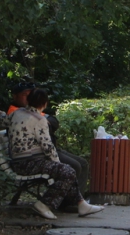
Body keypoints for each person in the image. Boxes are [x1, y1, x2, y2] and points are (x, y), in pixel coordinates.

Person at [7, 88, 104, 220]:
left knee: (67, 169)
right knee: (68, 171)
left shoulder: (16, 113)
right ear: (44, 104)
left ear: (28, 100)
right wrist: (58, 164)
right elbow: (48, 147)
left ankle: (81, 204)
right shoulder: (39, 120)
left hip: (17, 161)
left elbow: (5, 121)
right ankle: (43, 204)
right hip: (29, 162)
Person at [6, 82, 89, 195]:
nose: (30, 96)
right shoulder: (17, 112)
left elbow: (54, 122)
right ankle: (70, 202)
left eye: (31, 93)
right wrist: (58, 164)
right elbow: (46, 145)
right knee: (74, 166)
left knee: (83, 163)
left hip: (42, 152)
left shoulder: (31, 112)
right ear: (15, 96)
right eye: (25, 94)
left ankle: (76, 200)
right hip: (36, 155)